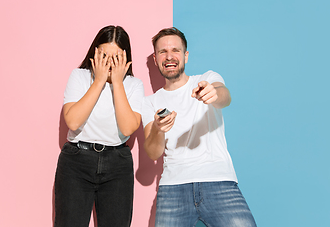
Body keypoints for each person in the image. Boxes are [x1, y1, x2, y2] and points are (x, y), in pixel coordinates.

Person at [142, 27, 257, 227]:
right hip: (173, 188)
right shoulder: (150, 102)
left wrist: (214, 93)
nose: (170, 56)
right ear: (155, 59)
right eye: (163, 52)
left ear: (185, 55)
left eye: (175, 50)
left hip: (219, 180)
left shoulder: (207, 79)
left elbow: (224, 97)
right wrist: (159, 129)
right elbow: (152, 153)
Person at [54, 25, 144, 227]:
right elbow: (74, 121)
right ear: (94, 53)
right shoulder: (80, 76)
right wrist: (100, 80)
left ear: (126, 57)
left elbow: (128, 128)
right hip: (77, 161)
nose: (109, 63)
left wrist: (117, 83)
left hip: (117, 164)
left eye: (116, 57)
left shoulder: (134, 84)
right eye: (104, 55)